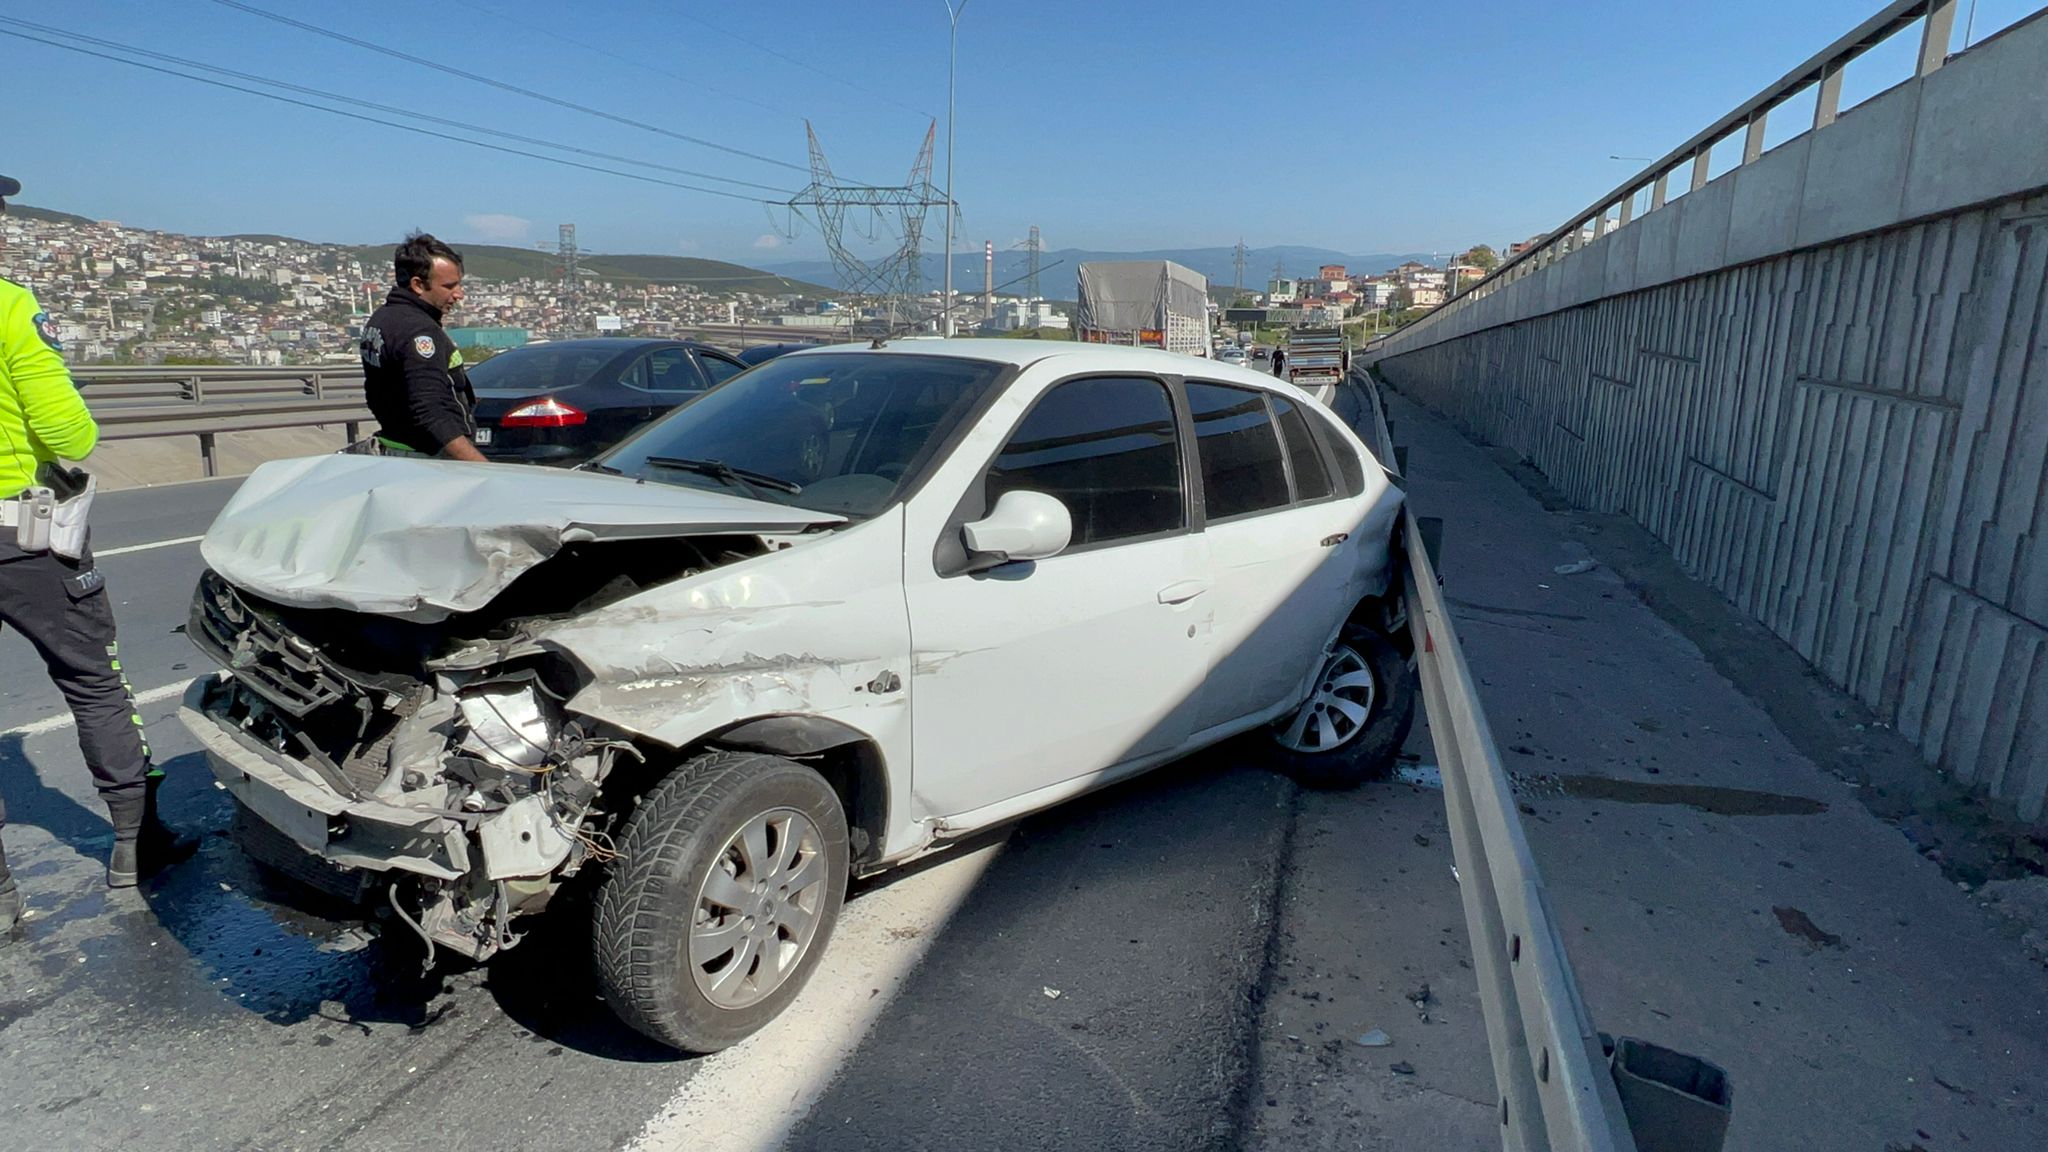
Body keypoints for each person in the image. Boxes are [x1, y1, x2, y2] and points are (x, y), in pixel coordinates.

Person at [0, 175, 192, 934]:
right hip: (22, 534)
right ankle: (134, 844)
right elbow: (70, 436)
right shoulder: (10, 306)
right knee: (94, 682)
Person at [360, 232, 485, 460]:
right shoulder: (420, 332)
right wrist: (481, 466)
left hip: (395, 447)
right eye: (449, 286)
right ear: (418, 285)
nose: (459, 294)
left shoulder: (380, 320)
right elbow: (430, 410)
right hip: (426, 456)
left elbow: (376, 391)